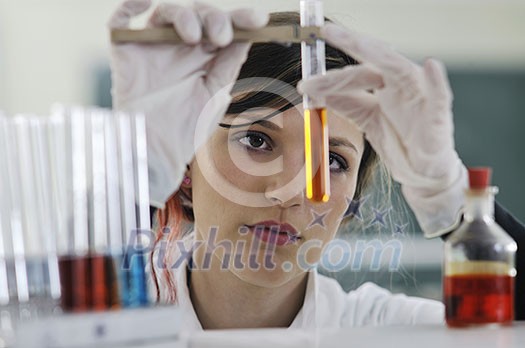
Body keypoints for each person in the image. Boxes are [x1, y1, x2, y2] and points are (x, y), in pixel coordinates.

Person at [109, 0, 525, 329]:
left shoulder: (386, 333)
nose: (293, 190)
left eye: (333, 160)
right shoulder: (106, 318)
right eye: (256, 140)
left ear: (351, 202)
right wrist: (139, 177)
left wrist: (449, 198)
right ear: (185, 167)